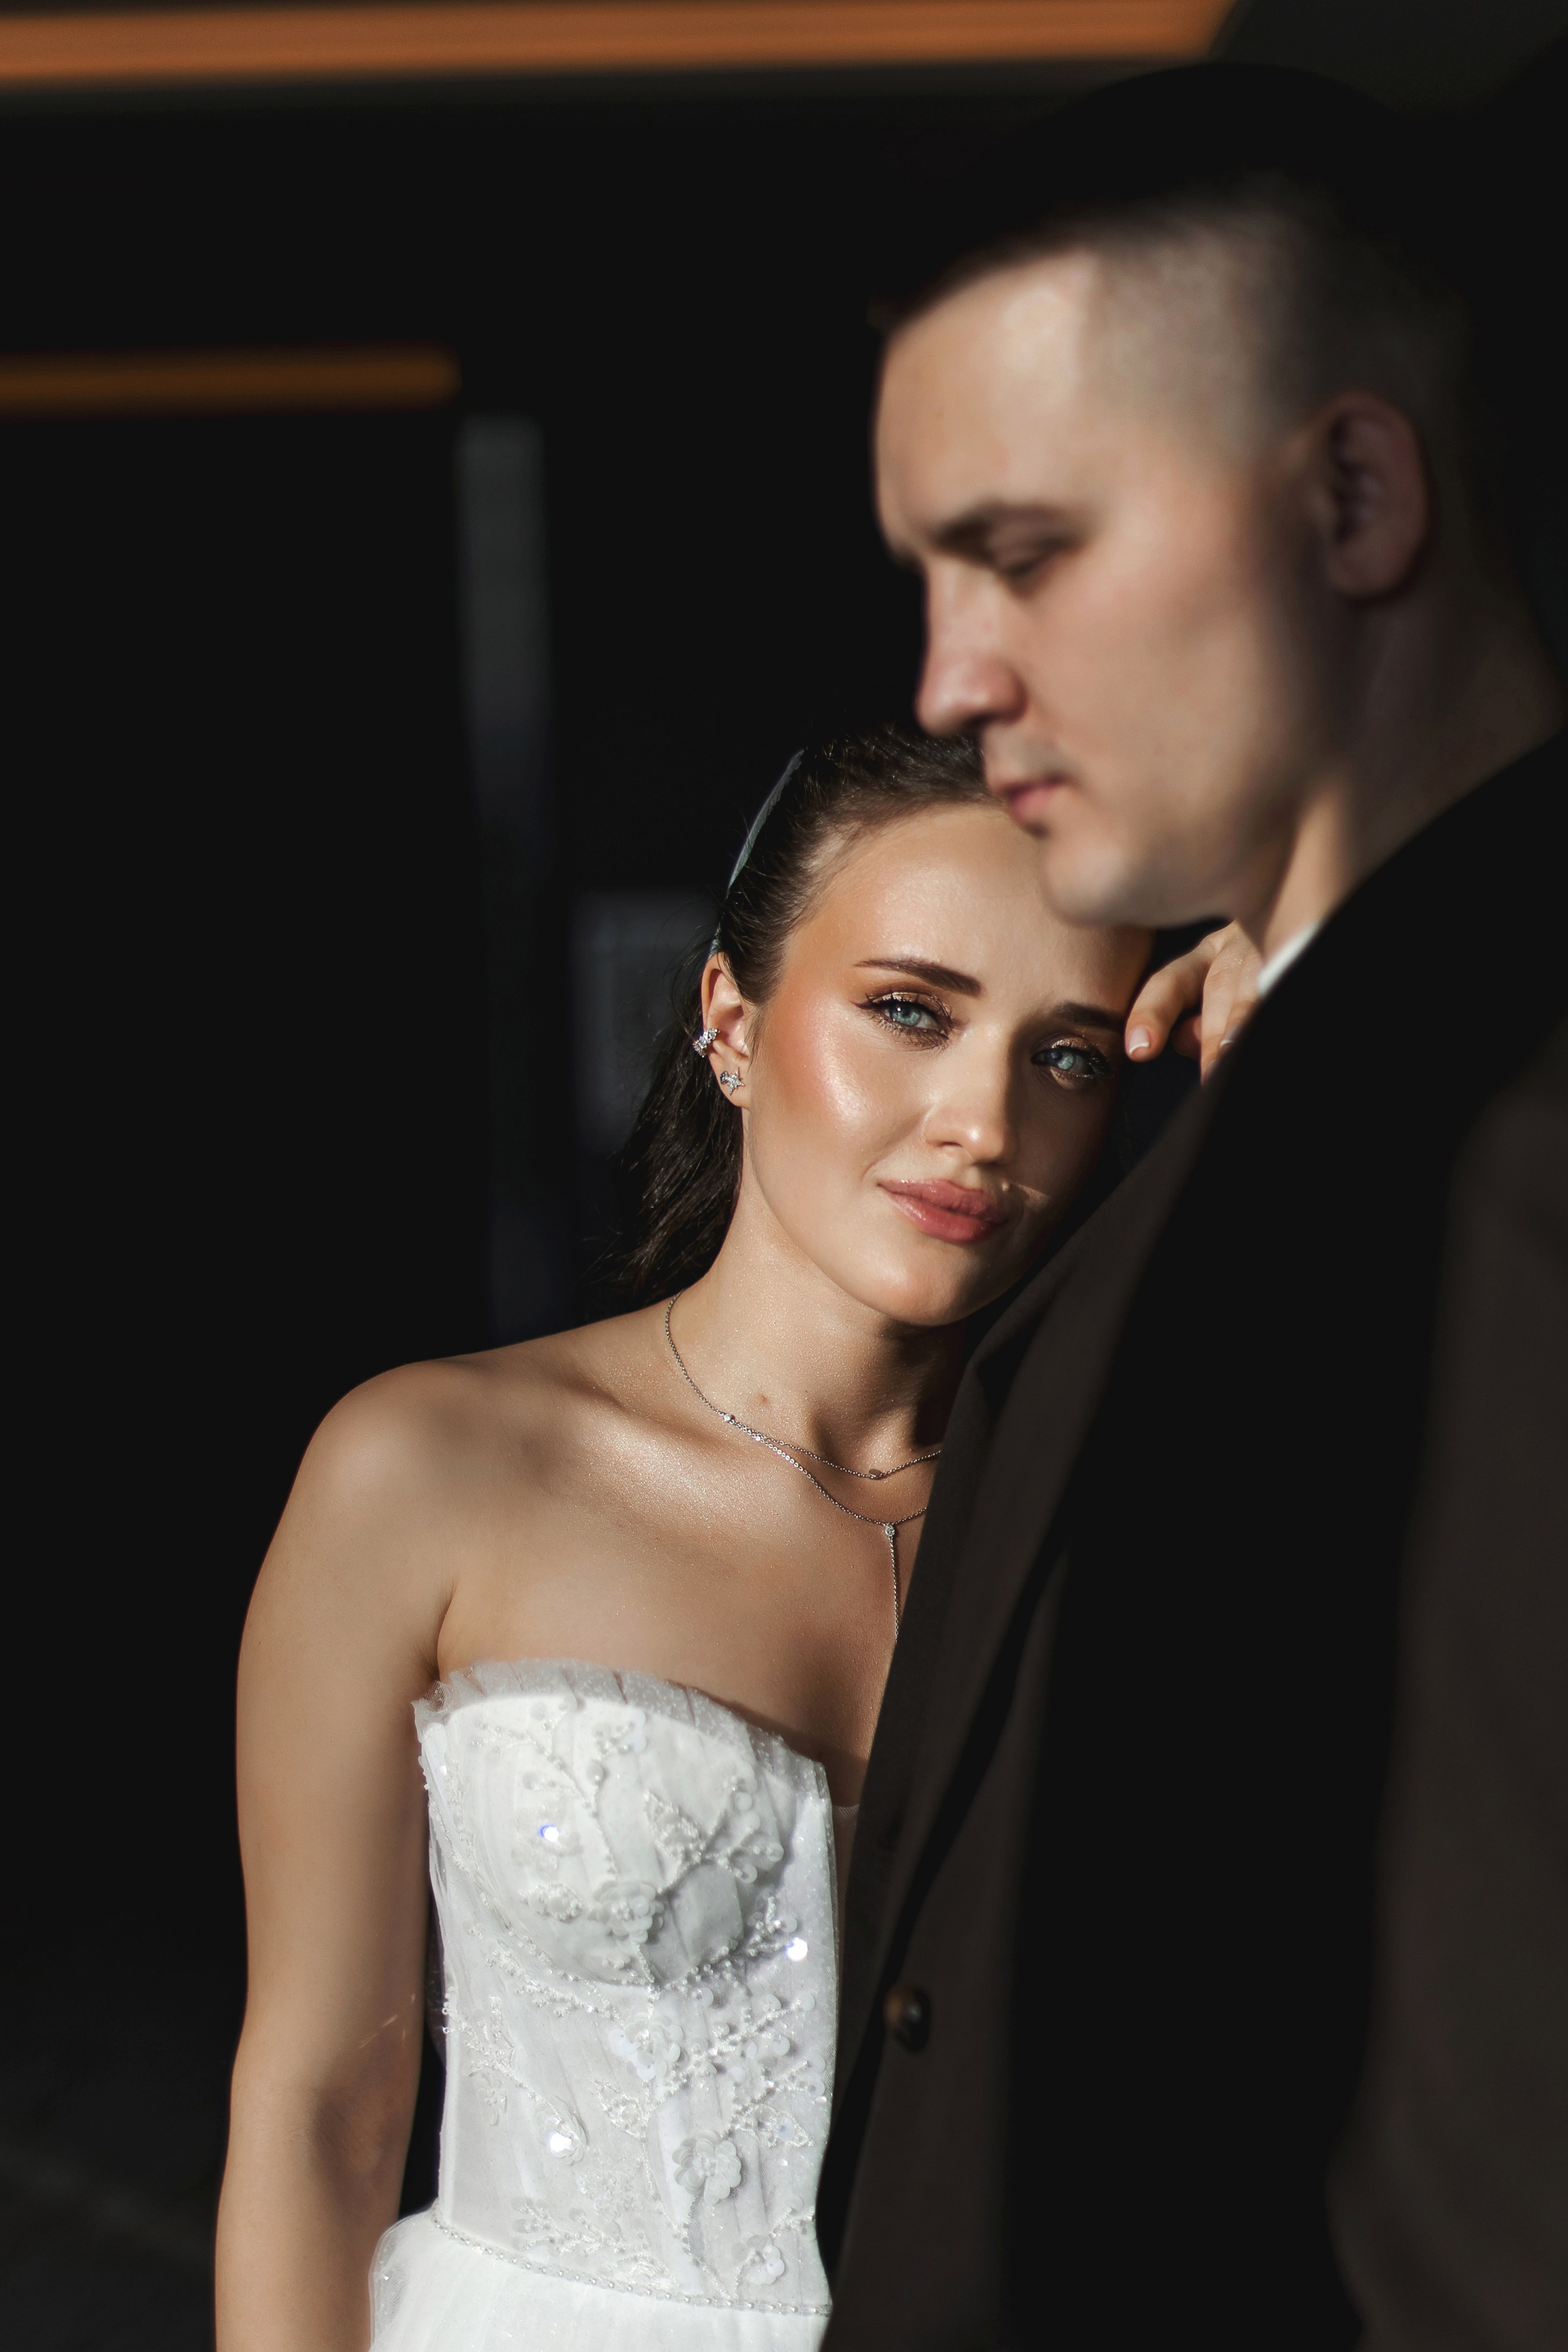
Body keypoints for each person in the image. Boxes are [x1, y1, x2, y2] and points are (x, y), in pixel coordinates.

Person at [817, 65, 1567, 2350]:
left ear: (1355, 495)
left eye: (1026, 554)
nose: (952, 678)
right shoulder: (1298, 1079)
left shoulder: (1499, 1143)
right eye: (929, 578)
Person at [216, 727, 1243, 2352]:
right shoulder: (427, 1470)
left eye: (1066, 1056)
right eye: (911, 1012)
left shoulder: (1144, 1523)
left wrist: (1318, 1015)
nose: (981, 1122)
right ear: (732, 1019)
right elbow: (319, 2114)